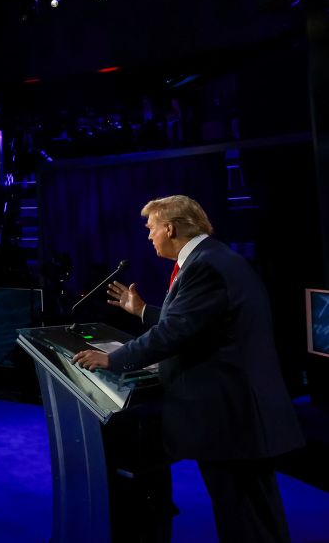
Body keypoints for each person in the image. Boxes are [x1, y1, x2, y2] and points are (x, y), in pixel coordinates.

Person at [72, 196, 303, 542]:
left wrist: (113, 359)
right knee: (255, 515)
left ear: (170, 227)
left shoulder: (204, 266)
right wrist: (143, 311)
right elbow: (197, 321)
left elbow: (174, 332)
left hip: (231, 418)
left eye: (151, 229)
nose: (149, 237)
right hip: (240, 414)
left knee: (244, 519)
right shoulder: (213, 257)